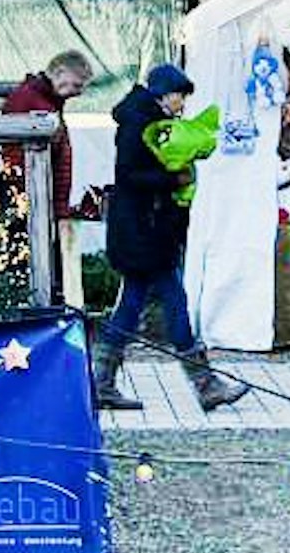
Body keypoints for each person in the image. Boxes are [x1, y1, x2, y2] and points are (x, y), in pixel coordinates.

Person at [92, 64, 250, 412]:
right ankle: (205, 385)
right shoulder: (141, 124)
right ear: (163, 94)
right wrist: (173, 179)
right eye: (179, 96)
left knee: (132, 304)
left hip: (143, 229)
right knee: (173, 300)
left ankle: (102, 381)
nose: (182, 104)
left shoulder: (142, 118)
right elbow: (130, 175)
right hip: (145, 230)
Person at [1, 51, 95, 305]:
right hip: (31, 196)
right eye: (75, 85)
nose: (78, 92)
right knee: (30, 259)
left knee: (38, 258)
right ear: (60, 73)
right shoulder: (34, 101)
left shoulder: (42, 99)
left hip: (37, 195)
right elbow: (17, 155)